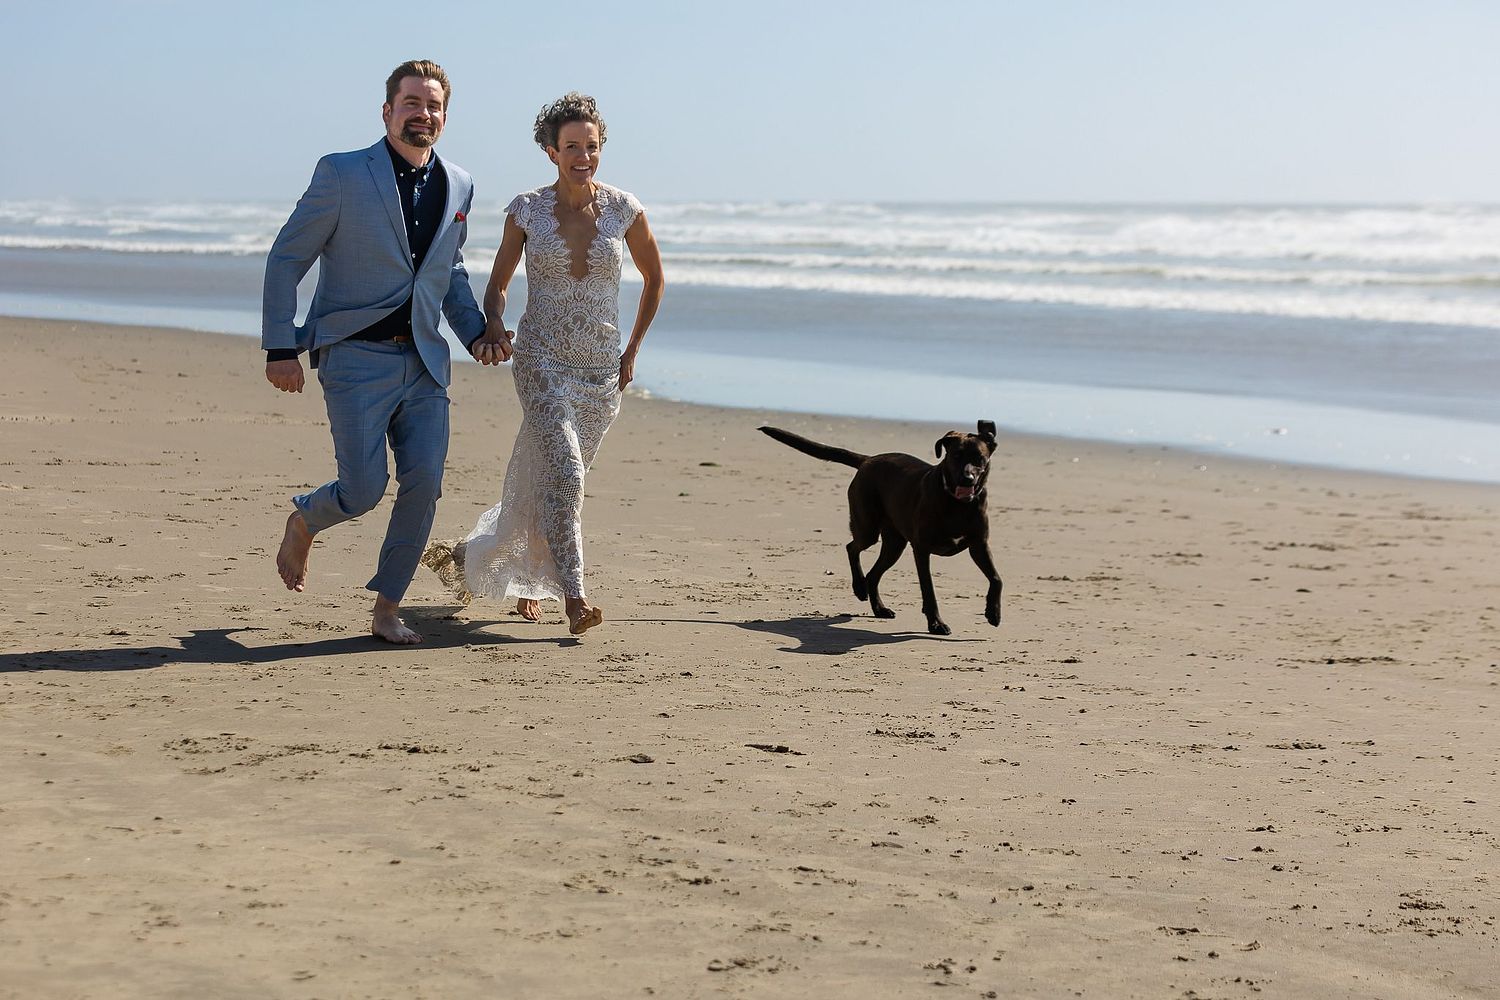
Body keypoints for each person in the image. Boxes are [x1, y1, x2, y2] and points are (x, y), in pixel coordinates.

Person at [262, 59, 509, 644]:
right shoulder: (342, 173)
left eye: (433, 106)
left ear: (444, 117)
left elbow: (447, 271)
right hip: (355, 356)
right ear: (388, 111)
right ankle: (307, 518)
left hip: (425, 361)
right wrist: (280, 346)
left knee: (424, 482)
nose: (423, 114)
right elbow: (286, 258)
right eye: (412, 103)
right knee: (364, 488)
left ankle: (387, 608)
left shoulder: (461, 184)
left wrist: (475, 333)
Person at [425, 92, 664, 635]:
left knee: (551, 478)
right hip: (542, 361)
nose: (583, 156)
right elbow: (500, 283)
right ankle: (575, 597)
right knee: (568, 472)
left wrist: (632, 351)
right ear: (551, 151)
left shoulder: (625, 209)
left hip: (601, 370)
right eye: (572, 146)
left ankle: (485, 566)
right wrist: (491, 323)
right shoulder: (527, 209)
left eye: (592, 146)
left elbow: (655, 280)